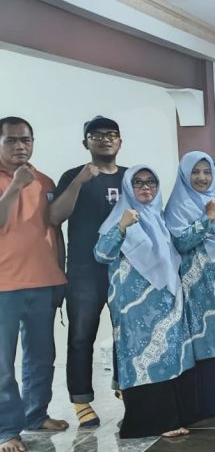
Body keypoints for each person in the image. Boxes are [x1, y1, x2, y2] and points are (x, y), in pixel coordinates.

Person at [95, 166, 197, 439]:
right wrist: (121, 226)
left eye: (151, 182)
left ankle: (169, 418)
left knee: (166, 359)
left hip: (164, 301)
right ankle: (145, 423)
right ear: (128, 187)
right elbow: (102, 255)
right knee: (141, 362)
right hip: (133, 306)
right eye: (138, 182)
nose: (145, 187)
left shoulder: (157, 217)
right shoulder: (119, 217)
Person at [48, 115, 127, 428]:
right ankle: (81, 400)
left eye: (111, 134)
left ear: (120, 141)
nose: (105, 139)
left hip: (125, 269)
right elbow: (55, 217)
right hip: (85, 270)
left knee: (129, 334)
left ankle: (127, 389)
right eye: (97, 135)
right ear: (86, 143)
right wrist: (80, 181)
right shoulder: (73, 176)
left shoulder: (131, 176)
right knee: (81, 336)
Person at [0, 117, 70, 452]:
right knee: (3, 364)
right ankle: (6, 430)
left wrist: (61, 274)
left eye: (25, 140)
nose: (20, 146)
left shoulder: (44, 180)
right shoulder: (18, 180)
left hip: (44, 281)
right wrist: (15, 186)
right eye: (11, 140)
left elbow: (55, 229)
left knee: (42, 356)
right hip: (4, 287)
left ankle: (36, 414)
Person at [164, 151, 215, 417]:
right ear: (185, 175)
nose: (202, 177)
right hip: (197, 280)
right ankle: (209, 403)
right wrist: (207, 218)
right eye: (195, 172)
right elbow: (181, 243)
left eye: (207, 172)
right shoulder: (177, 205)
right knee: (206, 338)